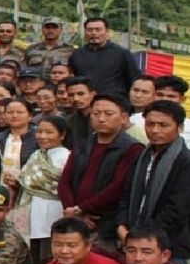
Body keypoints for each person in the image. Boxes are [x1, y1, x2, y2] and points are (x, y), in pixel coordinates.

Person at [59, 94, 143, 252]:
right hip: (76, 220)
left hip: (106, 224)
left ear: (123, 117)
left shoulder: (132, 148)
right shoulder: (83, 144)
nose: (101, 119)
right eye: (96, 114)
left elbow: (117, 187)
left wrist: (80, 208)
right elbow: (65, 181)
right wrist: (74, 212)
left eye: (108, 114)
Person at [116, 100, 190, 264]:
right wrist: (121, 225)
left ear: (179, 128)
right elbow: (126, 195)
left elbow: (176, 210)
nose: (155, 130)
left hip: (169, 246)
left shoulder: (184, 161)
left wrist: (140, 237)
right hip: (132, 239)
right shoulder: (142, 156)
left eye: (163, 125)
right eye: (150, 124)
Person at [12, 115, 70, 264]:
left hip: (54, 212)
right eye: (39, 131)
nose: (43, 136)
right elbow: (27, 181)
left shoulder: (67, 157)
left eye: (49, 132)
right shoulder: (36, 155)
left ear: (62, 135)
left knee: (50, 259)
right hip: (32, 213)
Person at [69, 17, 140, 99]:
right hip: (85, 101)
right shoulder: (77, 55)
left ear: (107, 32)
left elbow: (135, 79)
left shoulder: (122, 54)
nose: (94, 33)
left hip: (114, 101)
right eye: (90, 30)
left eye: (98, 30)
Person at [66, 76, 97, 149]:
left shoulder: (104, 118)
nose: (75, 99)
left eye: (81, 94)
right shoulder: (69, 121)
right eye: (71, 95)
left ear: (92, 94)